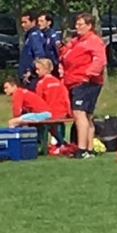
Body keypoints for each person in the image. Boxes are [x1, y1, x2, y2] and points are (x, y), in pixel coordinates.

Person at [59, 12, 106, 159]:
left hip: (86, 82)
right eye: (76, 24)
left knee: (79, 113)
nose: (77, 27)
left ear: (89, 26)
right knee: (86, 115)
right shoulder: (76, 41)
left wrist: (88, 74)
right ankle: (89, 149)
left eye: (80, 24)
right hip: (73, 81)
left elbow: (100, 60)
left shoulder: (94, 41)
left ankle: (82, 149)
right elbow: (65, 54)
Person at [19, 10, 46, 90]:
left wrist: (31, 70)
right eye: (22, 22)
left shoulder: (34, 36)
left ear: (33, 22)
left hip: (31, 77)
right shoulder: (30, 35)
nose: (23, 25)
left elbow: (39, 55)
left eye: (25, 22)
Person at [37, 11, 61, 75]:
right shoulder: (39, 35)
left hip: (53, 67)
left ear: (49, 22)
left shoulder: (53, 35)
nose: (39, 23)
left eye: (42, 21)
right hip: (43, 66)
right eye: (38, 21)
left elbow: (58, 50)